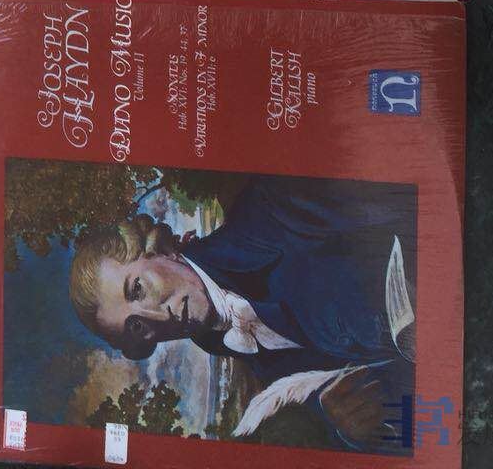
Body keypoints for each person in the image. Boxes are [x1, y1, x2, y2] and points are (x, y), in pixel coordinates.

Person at [69, 177, 418, 453]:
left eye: (137, 289)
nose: (157, 317)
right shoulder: (245, 354)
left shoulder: (272, 209)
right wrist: (345, 423)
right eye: (136, 326)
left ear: (160, 250)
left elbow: (413, 206)